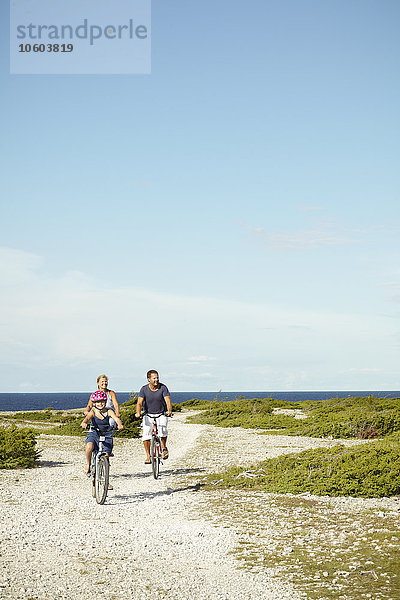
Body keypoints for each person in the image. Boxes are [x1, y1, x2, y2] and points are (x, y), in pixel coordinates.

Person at [81, 390, 123, 485]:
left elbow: (116, 418)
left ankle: (106, 481)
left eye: (102, 401)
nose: (100, 404)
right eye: (97, 402)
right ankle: (88, 465)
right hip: (94, 433)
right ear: (94, 403)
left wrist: (120, 425)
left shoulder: (109, 411)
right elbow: (87, 418)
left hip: (106, 434)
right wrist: (84, 423)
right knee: (89, 447)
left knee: (106, 457)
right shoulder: (93, 412)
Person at [135, 370, 172, 464]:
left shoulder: (163, 387)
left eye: (157, 377)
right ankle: (148, 456)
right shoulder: (144, 389)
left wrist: (169, 411)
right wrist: (138, 413)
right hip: (148, 414)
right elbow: (139, 403)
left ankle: (164, 448)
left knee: (163, 430)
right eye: (154, 378)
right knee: (146, 434)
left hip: (161, 413)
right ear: (148, 379)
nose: (156, 380)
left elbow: (167, 401)